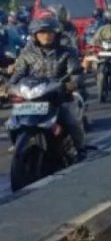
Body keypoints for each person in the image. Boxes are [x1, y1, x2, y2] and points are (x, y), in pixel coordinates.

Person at [10, 15, 87, 159]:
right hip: (33, 97)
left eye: (50, 32)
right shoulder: (26, 55)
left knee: (72, 121)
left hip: (59, 96)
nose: (46, 36)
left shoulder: (67, 52)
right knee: (13, 121)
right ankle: (18, 144)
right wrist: (8, 87)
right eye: (42, 33)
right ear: (35, 36)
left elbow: (77, 73)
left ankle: (81, 149)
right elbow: (17, 75)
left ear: (56, 34)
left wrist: (71, 84)